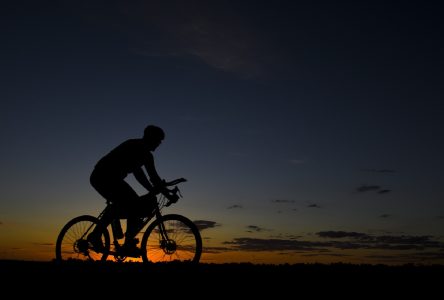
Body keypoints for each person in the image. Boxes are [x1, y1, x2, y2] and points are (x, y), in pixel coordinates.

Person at [88, 125, 167, 254]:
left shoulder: (148, 156)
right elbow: (139, 173)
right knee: (133, 203)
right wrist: (153, 189)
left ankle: (123, 239)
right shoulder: (134, 146)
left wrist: (165, 191)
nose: (159, 144)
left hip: (114, 179)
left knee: (131, 205)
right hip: (102, 176)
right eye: (158, 140)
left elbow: (154, 177)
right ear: (150, 138)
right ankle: (99, 237)